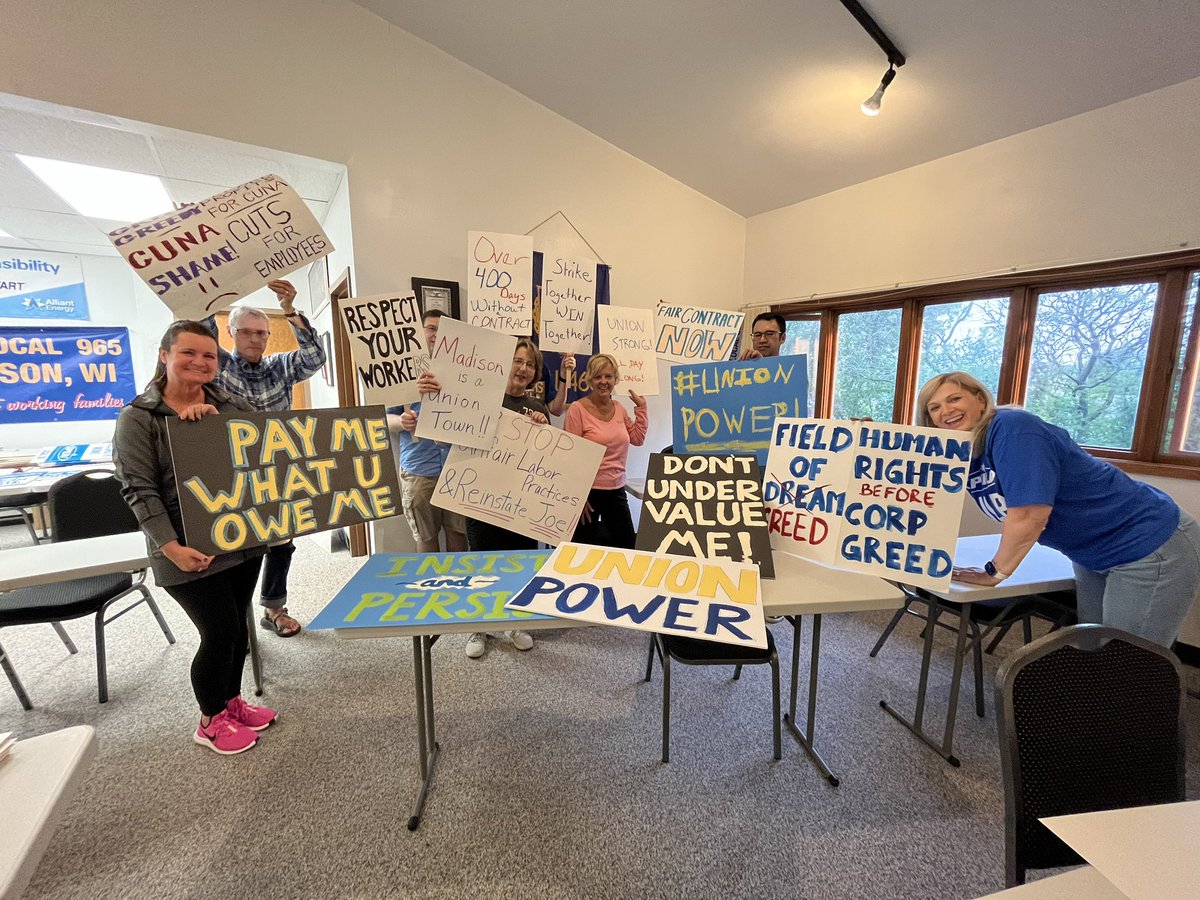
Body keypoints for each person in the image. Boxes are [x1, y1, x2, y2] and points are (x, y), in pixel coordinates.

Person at [918, 371, 1200, 648]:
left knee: (1130, 662)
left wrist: (995, 572)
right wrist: (874, 444)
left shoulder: (1012, 428)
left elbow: (1030, 514)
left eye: (954, 399)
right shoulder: (964, 449)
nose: (946, 411)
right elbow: (908, 475)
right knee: (1093, 645)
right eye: (935, 407)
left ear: (980, 399)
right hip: (1090, 552)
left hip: (1148, 543)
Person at [113, 320, 275, 754]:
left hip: (240, 539)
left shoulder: (225, 401)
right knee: (219, 632)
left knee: (238, 627)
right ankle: (209, 721)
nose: (200, 362)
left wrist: (217, 424)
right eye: (189, 353)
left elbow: (263, 441)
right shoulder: (138, 418)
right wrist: (170, 548)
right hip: (185, 548)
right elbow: (138, 489)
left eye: (209, 356)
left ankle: (231, 702)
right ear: (164, 355)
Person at [203, 279, 325, 639]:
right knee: (237, 546)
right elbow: (202, 331)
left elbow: (315, 357)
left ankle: (274, 607)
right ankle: (233, 615)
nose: (255, 339)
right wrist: (208, 290)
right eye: (247, 332)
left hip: (276, 470)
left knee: (281, 543)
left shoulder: (279, 366)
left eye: (262, 333)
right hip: (231, 470)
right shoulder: (219, 364)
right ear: (231, 332)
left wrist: (289, 309)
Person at [459, 337, 553, 659]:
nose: (524, 368)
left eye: (530, 364)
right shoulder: (482, 399)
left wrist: (542, 430)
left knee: (519, 563)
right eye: (518, 361)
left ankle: (516, 622)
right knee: (482, 561)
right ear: (505, 363)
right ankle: (480, 625)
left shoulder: (539, 409)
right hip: (481, 498)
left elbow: (546, 461)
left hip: (520, 503)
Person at [386, 309, 469, 556]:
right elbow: (384, 418)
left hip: (457, 466)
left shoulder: (463, 371)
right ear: (420, 332)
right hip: (419, 469)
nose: (436, 335)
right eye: (431, 328)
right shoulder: (402, 372)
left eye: (442, 330)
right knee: (426, 535)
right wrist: (403, 421)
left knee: (458, 532)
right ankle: (430, 586)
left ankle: (459, 586)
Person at [564, 353, 648, 549]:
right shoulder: (577, 409)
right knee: (581, 552)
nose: (603, 381)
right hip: (587, 495)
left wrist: (641, 408)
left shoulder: (619, 408)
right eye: (598, 376)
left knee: (626, 548)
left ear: (615, 379)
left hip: (616, 490)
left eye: (608, 376)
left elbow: (637, 439)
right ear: (589, 380)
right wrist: (577, 497)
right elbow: (569, 457)